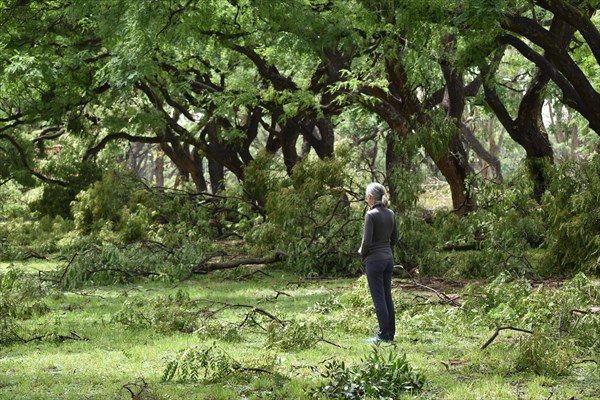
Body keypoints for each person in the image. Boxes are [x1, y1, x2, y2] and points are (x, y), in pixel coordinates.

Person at [358, 183, 398, 343]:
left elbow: (366, 242)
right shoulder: (390, 213)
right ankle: (390, 333)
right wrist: (385, 250)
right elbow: (394, 239)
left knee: (379, 298)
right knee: (387, 296)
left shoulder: (371, 215)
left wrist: (363, 254)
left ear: (370, 198)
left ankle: (383, 335)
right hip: (388, 259)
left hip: (374, 260)